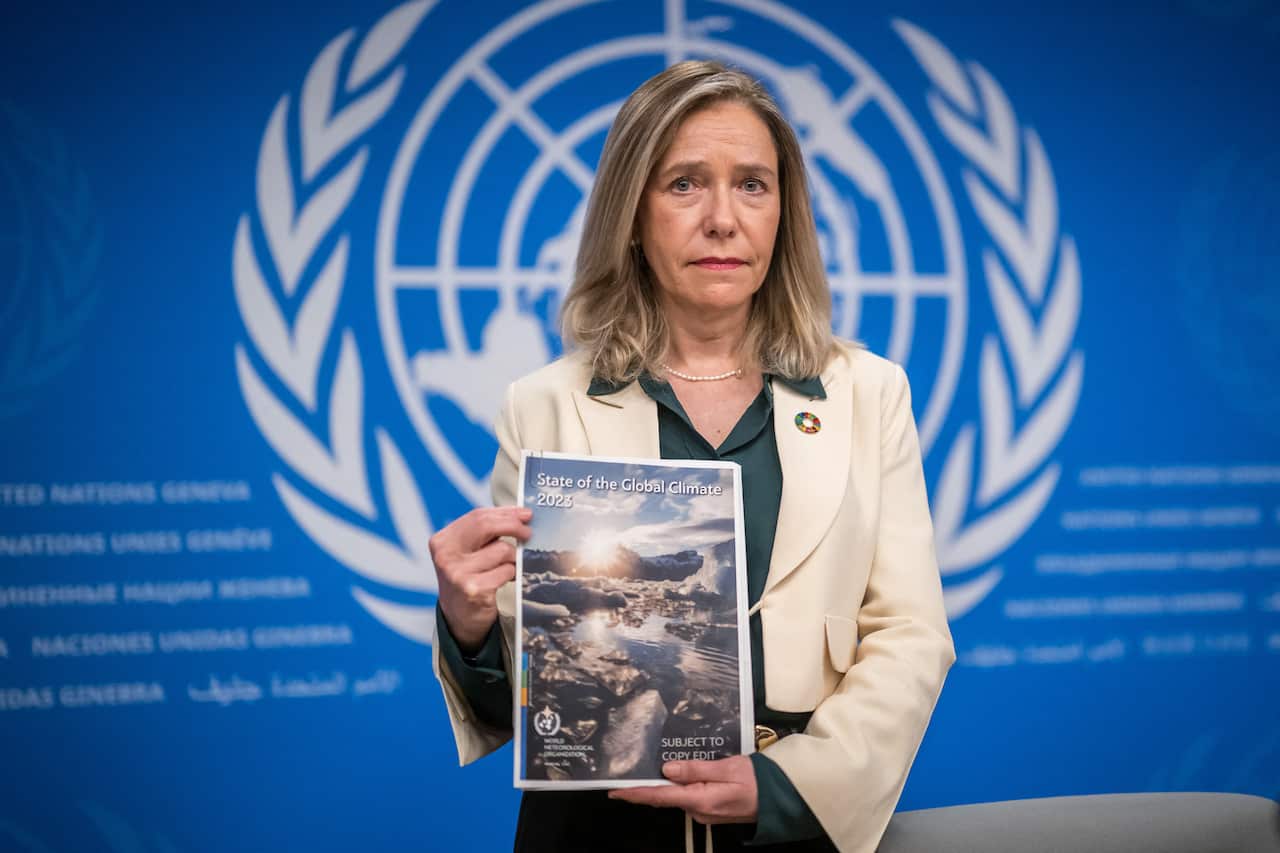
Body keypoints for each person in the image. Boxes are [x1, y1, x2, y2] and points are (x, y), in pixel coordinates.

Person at [429, 60, 955, 853]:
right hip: (596, 832)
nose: (722, 218)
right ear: (632, 215)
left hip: (793, 826)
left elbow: (911, 633)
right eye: (683, 184)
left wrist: (789, 783)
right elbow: (528, 692)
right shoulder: (545, 403)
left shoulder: (867, 393)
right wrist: (469, 628)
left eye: (752, 184)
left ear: (784, 213)